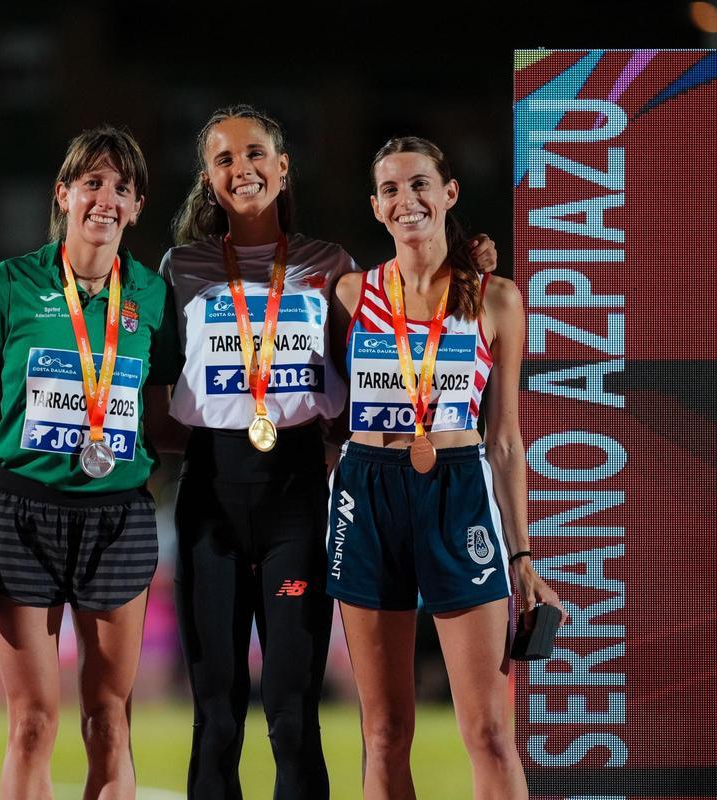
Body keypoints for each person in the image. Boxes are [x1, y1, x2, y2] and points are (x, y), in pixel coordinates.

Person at [161, 106, 496, 800]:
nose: (242, 168)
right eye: (224, 159)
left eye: (256, 154)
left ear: (283, 168)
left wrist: (465, 258)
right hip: (210, 493)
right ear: (208, 179)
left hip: (297, 492)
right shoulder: (181, 267)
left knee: (290, 714)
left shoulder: (331, 268)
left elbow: (392, 354)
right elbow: (145, 372)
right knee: (218, 715)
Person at [0, 126, 179, 800]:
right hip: (21, 516)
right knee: (33, 723)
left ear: (137, 207)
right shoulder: (8, 284)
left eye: (121, 189)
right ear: (63, 194)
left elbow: (163, 418)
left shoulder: (154, 298)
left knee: (109, 723)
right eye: (93, 183)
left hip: (119, 519)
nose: (106, 198)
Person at [326, 136, 567, 800]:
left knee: (489, 733)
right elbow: (319, 412)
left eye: (421, 184)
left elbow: (507, 441)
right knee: (383, 736)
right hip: (368, 494)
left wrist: (522, 556)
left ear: (449, 193)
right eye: (392, 190)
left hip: (459, 495)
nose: (408, 200)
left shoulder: (496, 299)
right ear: (376, 208)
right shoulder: (350, 294)